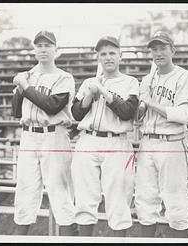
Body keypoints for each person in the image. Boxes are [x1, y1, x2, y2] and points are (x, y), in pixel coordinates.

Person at [70, 36, 139, 237]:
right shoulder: (88, 82)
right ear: (98, 57)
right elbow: (76, 113)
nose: (108, 57)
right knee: (84, 200)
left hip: (116, 141)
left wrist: (104, 92)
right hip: (88, 140)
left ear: (120, 56)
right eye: (103, 54)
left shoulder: (130, 82)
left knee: (118, 201)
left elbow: (127, 112)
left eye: (112, 53)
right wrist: (90, 95)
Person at [11, 30, 76, 236]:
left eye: (48, 45)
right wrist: (22, 87)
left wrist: (24, 86)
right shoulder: (27, 75)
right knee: (25, 192)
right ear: (34, 50)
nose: (43, 49)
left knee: (60, 193)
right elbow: (15, 111)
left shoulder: (64, 77)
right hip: (28, 136)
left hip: (54, 135)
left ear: (56, 50)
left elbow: (52, 106)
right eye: (39, 45)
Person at [134, 31, 188, 238]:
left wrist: (150, 102)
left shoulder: (184, 77)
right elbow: (139, 116)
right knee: (144, 201)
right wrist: (139, 109)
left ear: (173, 50)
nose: (158, 52)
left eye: (163, 48)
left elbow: (183, 115)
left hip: (172, 143)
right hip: (147, 142)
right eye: (154, 49)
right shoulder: (146, 79)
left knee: (176, 202)